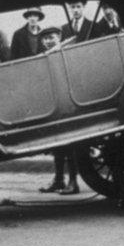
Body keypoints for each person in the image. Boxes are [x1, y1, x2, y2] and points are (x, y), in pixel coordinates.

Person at [35, 27, 79, 195]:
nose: (48, 41)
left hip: (69, 104)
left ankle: (73, 182)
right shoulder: (44, 57)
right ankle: (59, 180)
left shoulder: (66, 52)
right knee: (58, 145)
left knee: (71, 144)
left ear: (59, 37)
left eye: (51, 37)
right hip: (54, 106)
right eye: (45, 39)